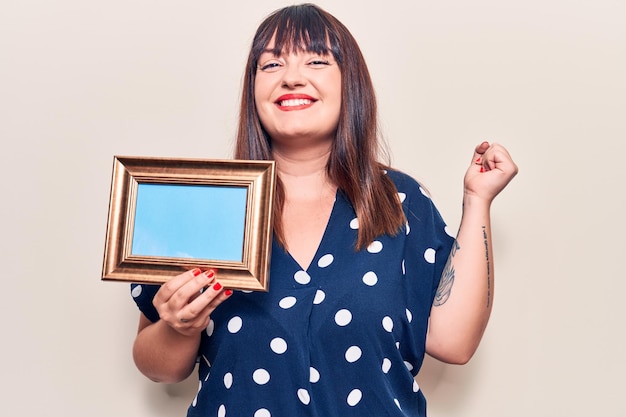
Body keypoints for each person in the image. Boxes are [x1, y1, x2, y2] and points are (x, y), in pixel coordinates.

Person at [130, 3, 518, 416]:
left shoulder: (399, 201)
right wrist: (177, 326)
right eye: (271, 64)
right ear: (253, 88)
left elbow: (453, 343)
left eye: (316, 60)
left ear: (349, 84)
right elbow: (159, 369)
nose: (291, 77)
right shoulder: (211, 206)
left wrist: (478, 201)